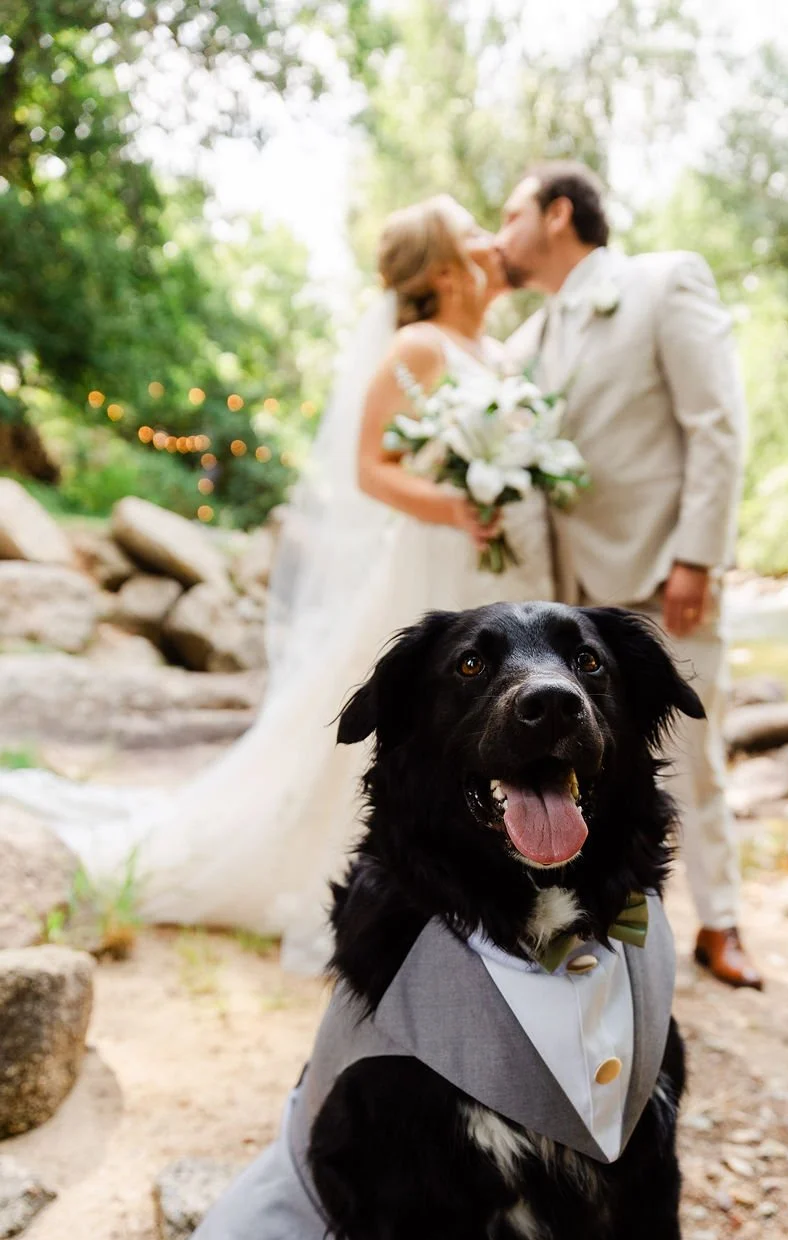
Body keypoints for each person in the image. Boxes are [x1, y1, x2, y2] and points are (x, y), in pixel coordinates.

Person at [0, 195, 554, 974]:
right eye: (473, 236)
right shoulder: (423, 345)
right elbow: (369, 469)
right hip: (435, 563)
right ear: (441, 269)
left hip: (494, 566)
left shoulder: (494, 350)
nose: (493, 244)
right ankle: (387, 874)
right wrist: (457, 505)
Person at [496, 161, 763, 990]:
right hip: (562, 604)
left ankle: (720, 923)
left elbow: (716, 424)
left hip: (660, 575)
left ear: (558, 215)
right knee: (578, 769)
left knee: (690, 749)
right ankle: (608, 924)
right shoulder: (524, 343)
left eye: (510, 216)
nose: (498, 235)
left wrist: (697, 556)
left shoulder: (662, 283)